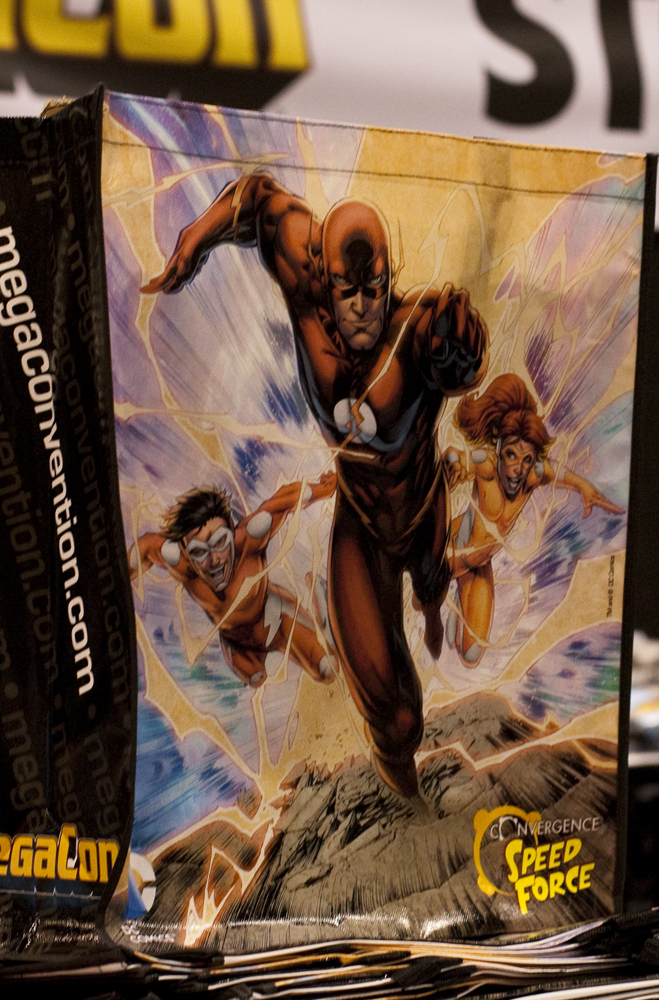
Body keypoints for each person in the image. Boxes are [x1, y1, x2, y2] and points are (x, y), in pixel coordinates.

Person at [144, 173, 487, 799]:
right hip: (362, 521)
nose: (361, 307)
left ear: (389, 278)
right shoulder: (301, 274)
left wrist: (463, 355)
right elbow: (254, 200)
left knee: (431, 587)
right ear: (322, 279)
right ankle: (410, 808)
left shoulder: (417, 326)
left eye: (373, 290)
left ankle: (432, 606)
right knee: (396, 719)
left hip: (421, 510)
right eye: (346, 291)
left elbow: (458, 346)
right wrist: (196, 237)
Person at [442, 373, 621, 661]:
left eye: (526, 460)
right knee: (424, 590)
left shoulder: (532, 475)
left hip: (479, 562)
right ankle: (452, 590)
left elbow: (557, 472)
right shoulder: (487, 465)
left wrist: (584, 487)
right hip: (454, 546)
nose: (518, 469)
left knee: (471, 654)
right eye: (511, 455)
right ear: (499, 449)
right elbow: (461, 457)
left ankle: (459, 595)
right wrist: (454, 463)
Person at [131, 474, 339, 689]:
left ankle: (321, 601)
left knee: (328, 670)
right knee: (255, 678)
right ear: (185, 550)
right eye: (199, 552)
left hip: (276, 619)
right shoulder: (180, 563)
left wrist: (325, 489)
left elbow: (285, 499)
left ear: (231, 529)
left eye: (220, 542)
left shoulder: (250, 538)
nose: (214, 560)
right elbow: (145, 547)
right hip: (236, 642)